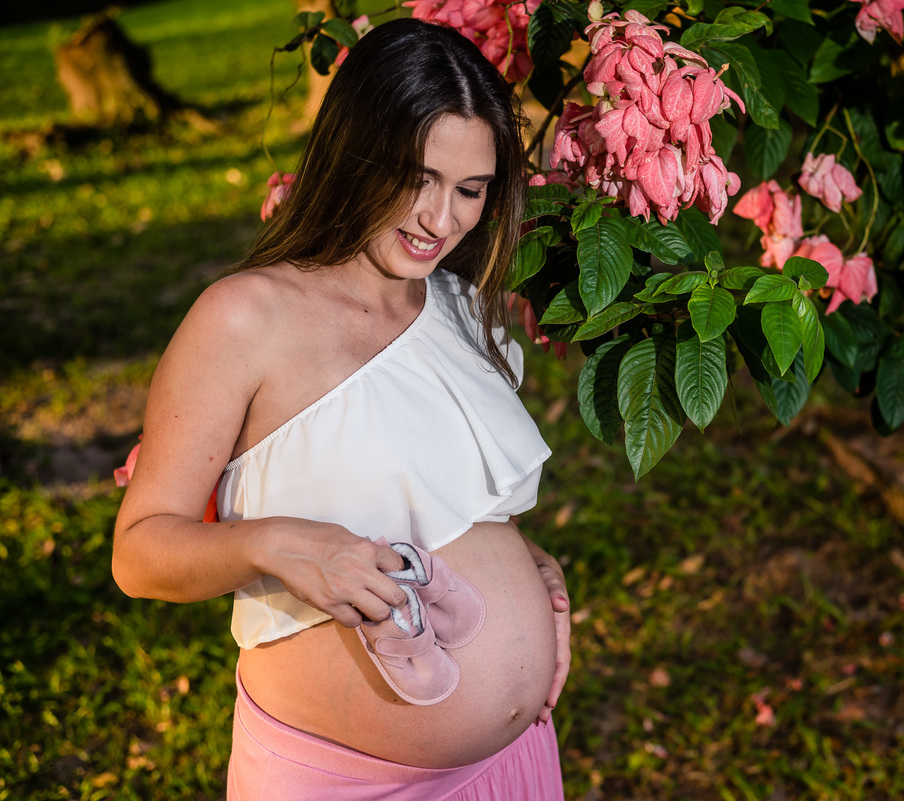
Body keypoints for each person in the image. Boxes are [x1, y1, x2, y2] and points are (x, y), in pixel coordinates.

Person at [111, 18, 570, 800]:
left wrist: (529, 561)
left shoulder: (457, 304)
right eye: (418, 178)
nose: (441, 219)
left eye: (470, 190)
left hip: (510, 762)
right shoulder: (244, 317)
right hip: (351, 781)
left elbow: (448, 504)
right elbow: (141, 551)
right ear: (357, 152)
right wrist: (283, 544)